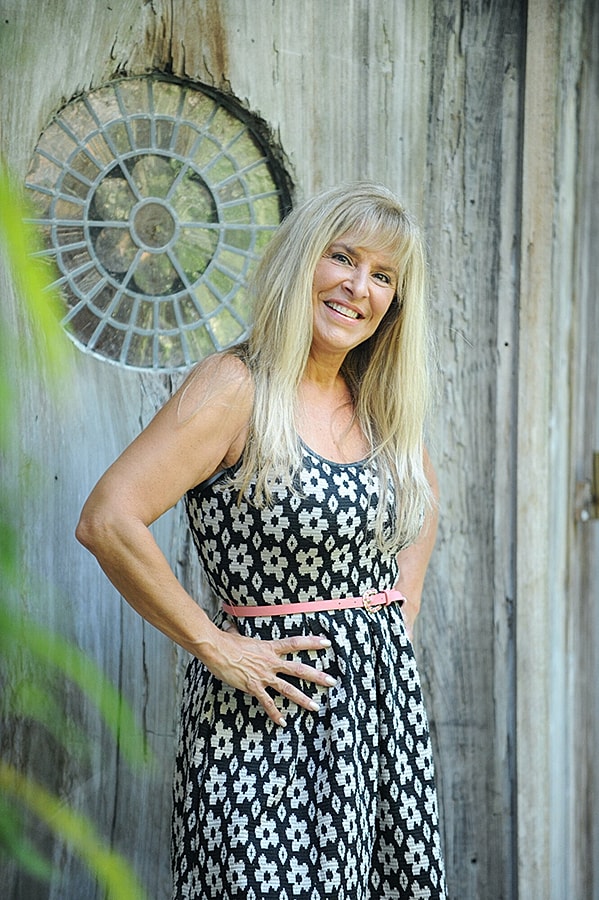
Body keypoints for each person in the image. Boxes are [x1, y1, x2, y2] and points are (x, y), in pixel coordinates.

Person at [77, 181, 447, 899]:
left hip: (377, 725)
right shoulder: (236, 386)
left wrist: (390, 627)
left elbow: (421, 509)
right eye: (340, 257)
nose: (355, 286)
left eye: (382, 275)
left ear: (395, 301)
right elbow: (108, 518)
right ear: (300, 261)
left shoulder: (379, 400)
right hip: (262, 720)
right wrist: (218, 645)